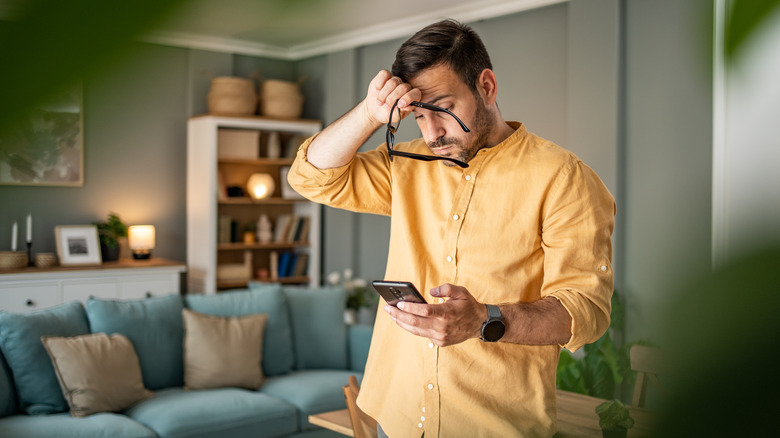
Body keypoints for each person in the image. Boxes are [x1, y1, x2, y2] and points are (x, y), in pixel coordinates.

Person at [288, 19, 615, 438]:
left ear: (487, 86)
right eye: (419, 117)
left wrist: (486, 319)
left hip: (493, 427)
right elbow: (309, 177)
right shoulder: (406, 164)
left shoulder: (564, 178)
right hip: (398, 416)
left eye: (443, 109)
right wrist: (371, 113)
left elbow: (585, 310)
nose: (432, 134)